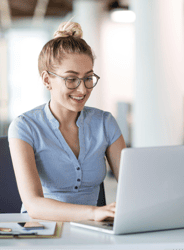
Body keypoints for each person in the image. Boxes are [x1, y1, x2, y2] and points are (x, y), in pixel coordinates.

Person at [8, 22, 126, 222]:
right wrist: (94, 213)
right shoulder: (24, 127)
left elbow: (133, 187)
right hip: (41, 231)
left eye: (88, 78)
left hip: (92, 232)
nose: (82, 90)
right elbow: (34, 204)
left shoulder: (105, 123)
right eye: (71, 79)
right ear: (47, 80)